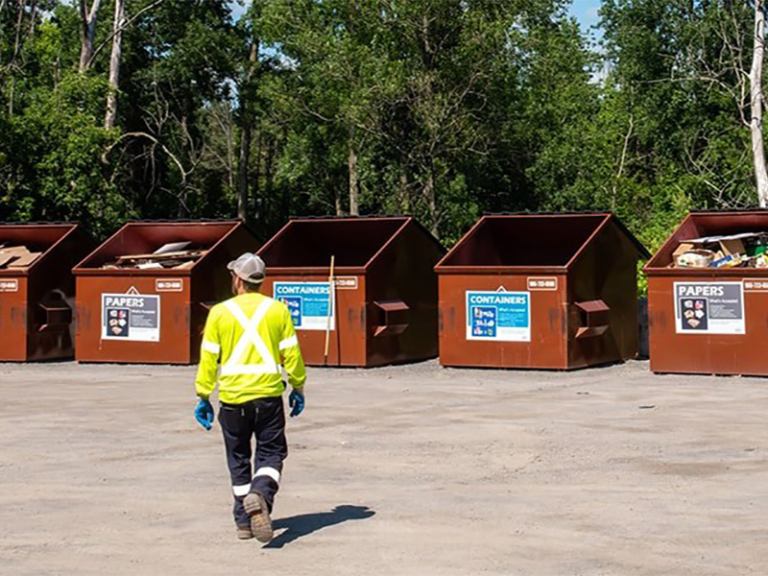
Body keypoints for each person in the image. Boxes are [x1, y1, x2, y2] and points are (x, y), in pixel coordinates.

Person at [193, 252, 307, 543]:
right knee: (271, 454)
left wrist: (203, 395)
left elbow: (209, 358)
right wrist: (298, 387)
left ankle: (244, 522)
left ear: (238, 279)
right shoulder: (277, 311)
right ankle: (261, 494)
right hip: (268, 397)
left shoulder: (219, 312)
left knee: (238, 457)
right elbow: (291, 353)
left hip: (232, 400)